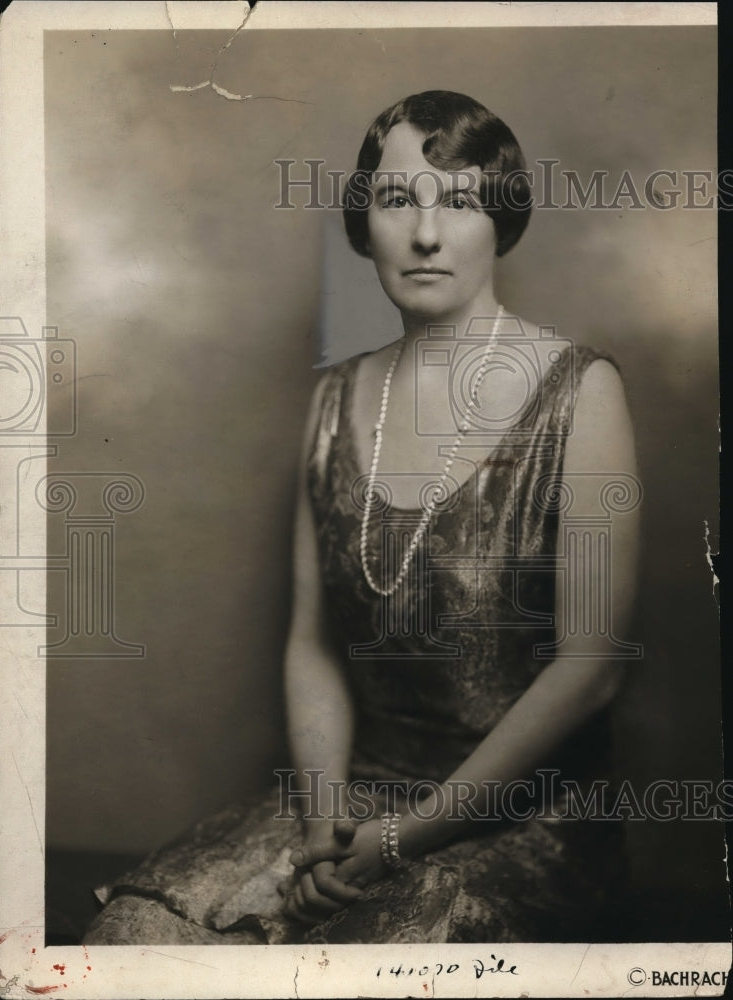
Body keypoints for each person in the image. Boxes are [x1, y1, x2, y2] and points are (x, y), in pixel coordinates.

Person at [84, 91, 640, 946]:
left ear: (499, 219)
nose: (425, 235)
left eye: (457, 203)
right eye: (395, 201)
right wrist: (321, 826)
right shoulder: (336, 399)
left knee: (371, 964)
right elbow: (312, 643)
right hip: (351, 799)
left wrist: (398, 842)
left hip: (525, 823)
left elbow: (591, 668)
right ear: (362, 223)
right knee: (131, 940)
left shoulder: (580, 391)